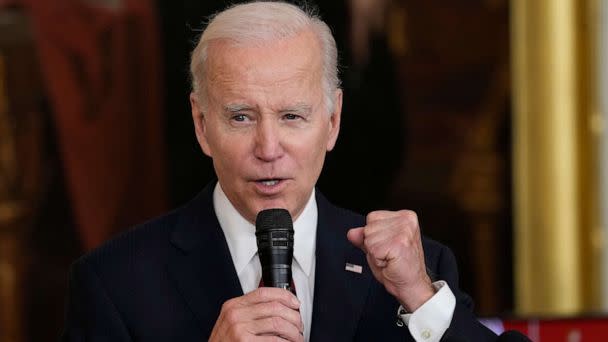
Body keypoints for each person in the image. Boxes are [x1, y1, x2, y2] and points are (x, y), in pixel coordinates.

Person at [61, 2, 497, 341]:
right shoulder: (116, 282)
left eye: (291, 116)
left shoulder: (418, 272)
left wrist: (422, 300)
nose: (268, 149)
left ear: (332, 121)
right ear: (201, 125)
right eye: (241, 117)